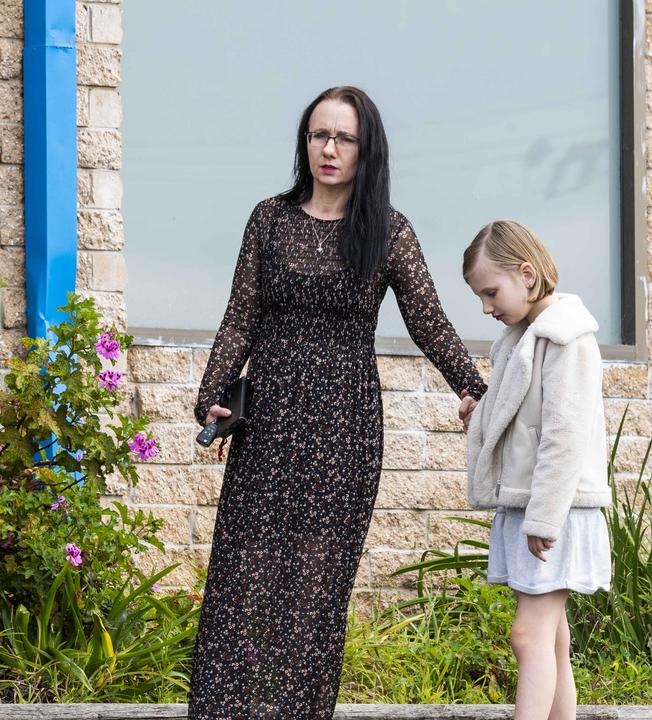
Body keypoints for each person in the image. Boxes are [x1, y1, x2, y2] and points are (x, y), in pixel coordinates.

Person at [189, 86, 487, 718]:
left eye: (343, 138)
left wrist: (472, 386)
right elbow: (239, 318)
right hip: (268, 422)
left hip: (343, 428)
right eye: (318, 135)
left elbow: (428, 322)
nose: (328, 148)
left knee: (313, 592)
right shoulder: (269, 219)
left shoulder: (387, 232)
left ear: (364, 149)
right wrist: (212, 394)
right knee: (246, 579)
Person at [462, 220, 612, 720]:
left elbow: (564, 436)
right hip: (533, 510)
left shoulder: (565, 339)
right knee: (552, 642)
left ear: (527, 274)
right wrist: (479, 413)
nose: (487, 307)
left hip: (555, 513)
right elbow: (521, 418)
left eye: (491, 291)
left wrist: (544, 518)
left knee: (528, 637)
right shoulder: (520, 339)